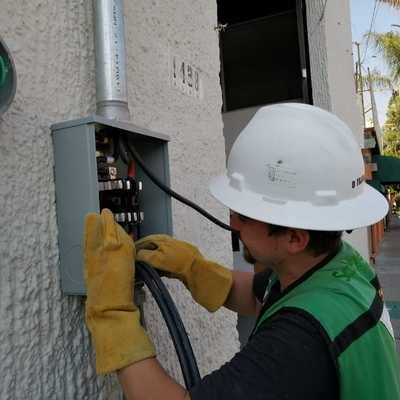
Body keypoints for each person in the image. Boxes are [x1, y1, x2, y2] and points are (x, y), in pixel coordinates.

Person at [83, 103, 400, 399]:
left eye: (245, 214)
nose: (232, 221)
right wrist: (193, 268)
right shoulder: (338, 266)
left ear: (295, 238)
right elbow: (256, 294)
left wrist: (113, 312)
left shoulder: (295, 344)